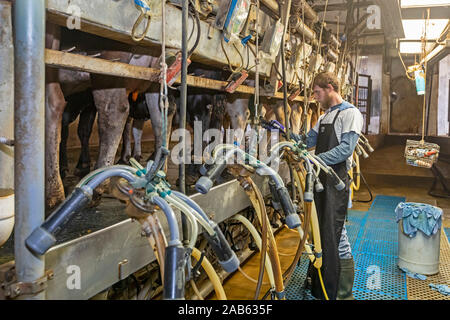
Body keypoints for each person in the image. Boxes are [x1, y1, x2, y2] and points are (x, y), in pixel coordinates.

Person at [305, 72, 364, 300]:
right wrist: (287, 141)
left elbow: (345, 150)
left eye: (318, 93)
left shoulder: (350, 113)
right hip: (322, 180)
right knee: (322, 232)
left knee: (336, 235)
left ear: (330, 88)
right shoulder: (326, 116)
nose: (316, 98)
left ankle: (342, 292)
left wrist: (315, 160)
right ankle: (322, 285)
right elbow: (308, 140)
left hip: (336, 181)